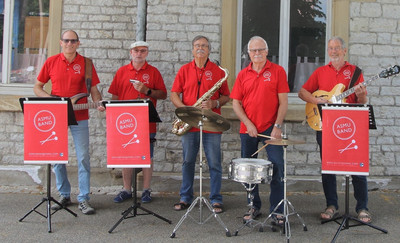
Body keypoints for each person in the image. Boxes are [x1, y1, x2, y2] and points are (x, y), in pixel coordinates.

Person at [298, 36, 370, 223]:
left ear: (344, 51)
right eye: (330, 48)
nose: (334, 51)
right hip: (326, 126)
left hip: (350, 126)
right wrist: (317, 101)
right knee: (328, 167)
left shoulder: (355, 72)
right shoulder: (321, 72)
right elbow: (302, 92)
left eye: (337, 48)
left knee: (357, 166)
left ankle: (362, 207)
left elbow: (362, 102)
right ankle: (332, 205)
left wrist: (361, 96)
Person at [33, 29, 105, 215]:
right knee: (57, 157)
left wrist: (98, 102)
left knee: (83, 157)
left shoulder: (86, 64)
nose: (70, 44)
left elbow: (94, 90)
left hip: (80, 116)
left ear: (78, 43)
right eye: (66, 40)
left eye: (73, 41)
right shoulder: (51, 62)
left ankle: (84, 199)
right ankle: (64, 194)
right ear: (61, 42)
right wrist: (50, 101)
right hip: (57, 116)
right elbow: (37, 87)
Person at [230, 36, 289, 224]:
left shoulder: (278, 71)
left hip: (271, 128)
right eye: (253, 51)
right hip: (248, 129)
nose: (257, 53)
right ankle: (253, 206)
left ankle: (278, 210)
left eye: (260, 50)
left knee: (277, 166)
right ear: (248, 53)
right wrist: (248, 124)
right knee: (248, 171)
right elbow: (236, 103)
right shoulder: (242, 74)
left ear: (266, 51)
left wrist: (277, 126)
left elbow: (283, 102)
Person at [170, 35, 230, 213]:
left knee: (214, 162)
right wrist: (185, 111)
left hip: (211, 123)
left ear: (209, 49)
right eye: (197, 45)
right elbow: (174, 94)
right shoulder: (184, 70)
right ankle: (185, 197)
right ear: (192, 49)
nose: (200, 48)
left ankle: (216, 198)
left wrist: (215, 103)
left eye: (204, 45)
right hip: (189, 122)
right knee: (188, 161)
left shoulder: (218, 71)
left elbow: (226, 95)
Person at [108, 41, 167, 204]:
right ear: (131, 53)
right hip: (126, 123)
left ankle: (146, 190)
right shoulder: (122, 72)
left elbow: (163, 94)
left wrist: (146, 91)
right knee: (127, 156)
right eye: (136, 50)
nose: (139, 53)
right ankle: (127, 189)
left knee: (147, 156)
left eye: (143, 51)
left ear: (147, 53)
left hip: (147, 122)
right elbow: (114, 96)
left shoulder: (153, 72)